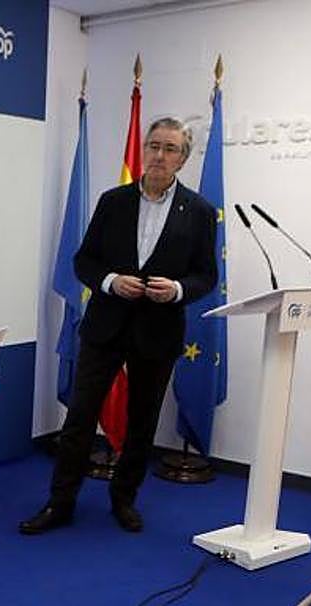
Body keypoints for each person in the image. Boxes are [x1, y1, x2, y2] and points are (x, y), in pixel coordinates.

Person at [20, 117, 216, 535]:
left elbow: (206, 275)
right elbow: (84, 261)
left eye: (170, 149)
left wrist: (178, 289)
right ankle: (60, 503)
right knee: (79, 418)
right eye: (154, 145)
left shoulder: (198, 211)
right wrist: (110, 281)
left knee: (141, 424)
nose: (159, 155)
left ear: (183, 159)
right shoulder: (113, 201)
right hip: (106, 326)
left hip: (158, 331)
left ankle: (124, 500)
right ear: (143, 149)